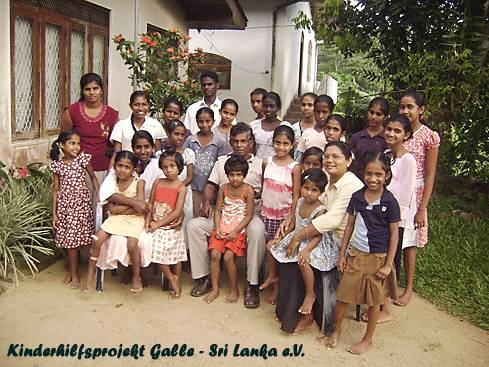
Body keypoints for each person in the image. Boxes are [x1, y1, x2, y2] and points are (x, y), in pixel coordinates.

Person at [278, 142, 364, 335]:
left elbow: (333, 219)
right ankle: (286, 310)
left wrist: (298, 236)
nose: (329, 160)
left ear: (349, 161)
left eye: (336, 157)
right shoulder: (328, 180)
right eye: (326, 156)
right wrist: (291, 222)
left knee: (301, 255)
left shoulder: (351, 185)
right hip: (324, 236)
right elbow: (310, 208)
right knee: (288, 253)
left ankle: (307, 307)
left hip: (342, 243)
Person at [324, 151, 400, 355]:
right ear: (363, 173)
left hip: (378, 258)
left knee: (374, 301)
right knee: (343, 296)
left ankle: (368, 339)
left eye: (378, 175)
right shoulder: (357, 197)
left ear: (387, 176)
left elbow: (394, 236)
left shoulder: (390, 202)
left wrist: (387, 264)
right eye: (369, 174)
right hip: (356, 255)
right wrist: (342, 254)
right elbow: (349, 225)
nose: (373, 179)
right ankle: (336, 331)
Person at [187, 123, 266, 309]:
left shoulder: (261, 164)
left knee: (257, 231)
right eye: (236, 141)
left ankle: (251, 284)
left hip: (249, 214)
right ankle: (204, 278)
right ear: (230, 142)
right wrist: (206, 202)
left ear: (251, 142)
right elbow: (211, 185)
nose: (239, 145)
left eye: (244, 141)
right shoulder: (222, 162)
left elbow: (265, 191)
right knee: (194, 226)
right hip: (223, 214)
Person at [96, 131, 166, 277]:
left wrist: (142, 207)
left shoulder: (158, 167)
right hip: (127, 212)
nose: (143, 151)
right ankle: (128, 270)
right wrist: (134, 204)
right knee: (122, 237)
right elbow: (107, 194)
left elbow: (162, 194)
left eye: (147, 147)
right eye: (138, 147)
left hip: (152, 212)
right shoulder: (123, 166)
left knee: (141, 240)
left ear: (153, 147)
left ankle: (140, 273)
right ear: (133, 148)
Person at [396, 90, 440, 306]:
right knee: (393, 237)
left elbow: (430, 173)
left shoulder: (428, 136)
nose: (405, 111)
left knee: (409, 242)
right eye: (402, 107)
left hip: (416, 193)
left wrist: (422, 208)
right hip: (396, 190)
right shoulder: (397, 131)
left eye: (409, 107)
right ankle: (389, 284)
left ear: (420, 110)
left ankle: (409, 287)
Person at [270, 169, 327, 328]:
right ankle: (272, 277)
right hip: (296, 236)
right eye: (306, 188)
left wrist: (306, 250)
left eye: (314, 190)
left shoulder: (320, 210)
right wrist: (279, 238)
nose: (309, 193)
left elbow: (318, 234)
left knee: (303, 262)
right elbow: (294, 223)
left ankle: (310, 293)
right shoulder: (299, 202)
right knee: (273, 248)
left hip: (312, 242)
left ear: (321, 192)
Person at [86, 151, 145, 292]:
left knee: (132, 244)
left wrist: (120, 209)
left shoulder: (139, 183)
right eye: (120, 166)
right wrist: (130, 205)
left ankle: (137, 277)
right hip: (115, 219)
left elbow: (141, 207)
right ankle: (90, 273)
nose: (123, 170)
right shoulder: (113, 182)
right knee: (96, 240)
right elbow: (111, 208)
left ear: (134, 169)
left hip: (134, 219)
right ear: (114, 165)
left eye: (127, 167)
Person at [50, 130, 99, 289]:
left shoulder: (83, 160)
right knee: (70, 241)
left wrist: (98, 196)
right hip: (66, 208)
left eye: (78, 143)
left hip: (82, 206)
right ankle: (74, 273)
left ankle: (83, 268)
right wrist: (54, 214)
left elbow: (93, 177)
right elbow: (56, 190)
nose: (76, 147)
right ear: (62, 145)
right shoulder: (57, 165)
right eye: (72, 143)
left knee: (82, 239)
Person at [379, 114, 417, 321]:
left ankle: (385, 309)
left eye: (397, 131)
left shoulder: (408, 160)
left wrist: (393, 221)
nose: (391, 134)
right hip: (380, 214)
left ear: (406, 135)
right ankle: (379, 302)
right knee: (380, 259)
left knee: (390, 261)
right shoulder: (385, 154)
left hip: (395, 219)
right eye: (389, 129)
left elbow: (404, 195)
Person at [259, 125, 301, 305]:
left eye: (285, 144)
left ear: (292, 145)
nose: (281, 147)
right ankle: (271, 277)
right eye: (278, 143)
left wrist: (291, 217)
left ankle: (277, 287)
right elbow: (263, 185)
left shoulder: (295, 167)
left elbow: (297, 194)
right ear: (272, 142)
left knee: (278, 251)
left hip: (283, 216)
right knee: (268, 251)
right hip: (265, 213)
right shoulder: (266, 162)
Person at [205, 155, 255, 303]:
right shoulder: (223, 189)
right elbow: (218, 210)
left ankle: (234, 288)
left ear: (244, 175)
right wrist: (218, 227)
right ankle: (215, 288)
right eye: (231, 175)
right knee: (215, 255)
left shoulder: (248, 191)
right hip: (223, 225)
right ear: (227, 175)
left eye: (238, 175)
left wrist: (236, 231)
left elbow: (249, 215)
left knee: (228, 257)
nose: (235, 178)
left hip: (238, 228)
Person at [140, 147, 187, 298]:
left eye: (172, 166)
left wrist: (158, 225)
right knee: (156, 252)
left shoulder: (181, 187)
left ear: (180, 168)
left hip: (171, 226)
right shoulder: (158, 183)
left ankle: (176, 279)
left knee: (176, 256)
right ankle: (171, 278)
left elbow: (177, 211)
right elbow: (151, 203)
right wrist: (148, 222)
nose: (168, 170)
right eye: (165, 167)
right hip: (155, 225)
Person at [61, 73, 119, 192]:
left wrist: (113, 169)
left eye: (95, 88)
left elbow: (116, 143)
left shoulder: (112, 114)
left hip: (104, 168)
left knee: (100, 205)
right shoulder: (72, 111)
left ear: (102, 90)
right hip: (77, 169)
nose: (92, 92)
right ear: (82, 91)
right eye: (87, 89)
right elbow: (64, 140)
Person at [184, 107, 227, 217]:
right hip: (194, 187)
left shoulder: (219, 142)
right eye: (201, 121)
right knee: (195, 214)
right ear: (196, 122)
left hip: (213, 188)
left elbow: (222, 165)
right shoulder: (191, 140)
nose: (204, 125)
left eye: (207, 121)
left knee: (209, 215)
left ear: (213, 121)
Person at [166, 120, 195, 243]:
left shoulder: (188, 153)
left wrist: (178, 188)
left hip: (184, 193)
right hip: (167, 192)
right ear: (168, 134)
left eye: (182, 135)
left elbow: (189, 176)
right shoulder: (162, 154)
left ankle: (184, 252)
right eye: (176, 134)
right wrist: (170, 189)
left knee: (184, 219)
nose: (180, 137)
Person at [350, 97, 389, 179]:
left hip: (376, 181)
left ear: (385, 117)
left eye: (378, 114)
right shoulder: (357, 137)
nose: (373, 117)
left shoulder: (388, 138)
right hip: (357, 181)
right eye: (371, 112)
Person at [249, 92, 292, 159]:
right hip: (257, 164)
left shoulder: (285, 126)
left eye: (272, 106)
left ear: (278, 108)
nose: (268, 109)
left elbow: (290, 149)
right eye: (265, 106)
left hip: (277, 165)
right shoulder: (254, 125)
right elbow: (251, 148)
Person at [296, 94, 334, 160]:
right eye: (317, 112)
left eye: (324, 112)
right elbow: (302, 158)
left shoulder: (334, 134)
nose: (320, 116)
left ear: (331, 113)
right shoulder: (306, 133)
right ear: (314, 111)